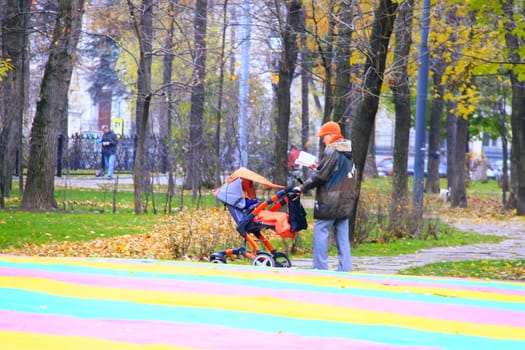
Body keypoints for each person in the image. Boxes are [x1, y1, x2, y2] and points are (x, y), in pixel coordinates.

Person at [296, 121, 355, 272]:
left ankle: (320, 268)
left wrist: (302, 188)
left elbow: (320, 177)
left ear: (332, 135)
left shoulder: (332, 149)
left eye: (324, 136)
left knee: (321, 230)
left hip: (330, 199)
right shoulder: (346, 149)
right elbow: (334, 171)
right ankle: (345, 269)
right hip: (346, 198)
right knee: (342, 235)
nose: (323, 140)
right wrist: (319, 167)